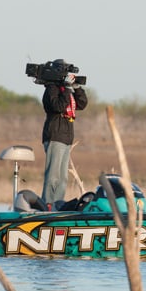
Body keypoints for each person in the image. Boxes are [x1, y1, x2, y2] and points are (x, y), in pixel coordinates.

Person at [41, 61, 88, 207]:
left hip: (66, 137)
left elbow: (82, 104)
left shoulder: (64, 90)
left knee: (63, 178)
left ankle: (57, 205)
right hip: (55, 135)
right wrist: (67, 89)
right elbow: (58, 106)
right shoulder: (51, 89)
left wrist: (77, 88)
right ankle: (47, 204)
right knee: (53, 176)